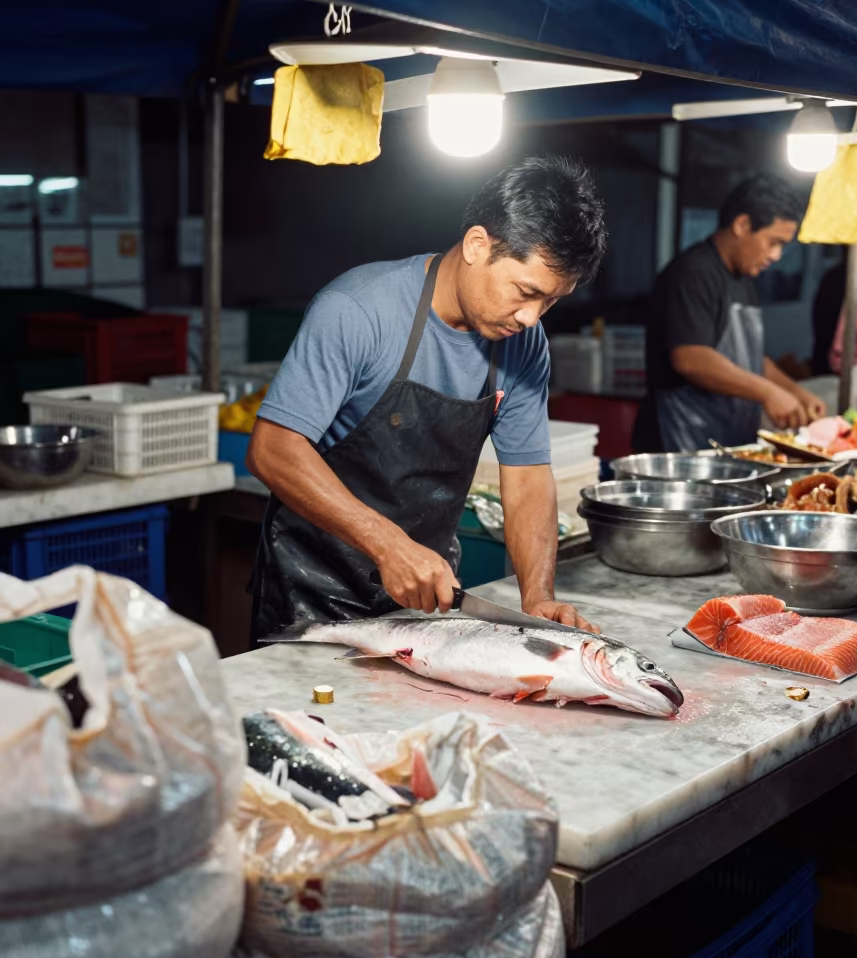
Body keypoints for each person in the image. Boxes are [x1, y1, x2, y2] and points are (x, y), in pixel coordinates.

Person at [247, 155, 607, 640]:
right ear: (479, 245)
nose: (531, 318)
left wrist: (537, 596)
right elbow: (273, 450)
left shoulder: (524, 344)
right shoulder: (357, 310)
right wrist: (388, 544)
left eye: (551, 301)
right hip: (309, 595)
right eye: (526, 292)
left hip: (424, 601)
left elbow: (526, 477)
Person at [634, 173, 826, 453]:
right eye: (774, 242)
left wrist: (795, 392)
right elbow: (691, 358)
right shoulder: (693, 272)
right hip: (678, 445)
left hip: (724, 443)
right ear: (742, 224)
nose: (776, 256)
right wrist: (768, 393)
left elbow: (749, 358)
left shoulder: (743, 279)